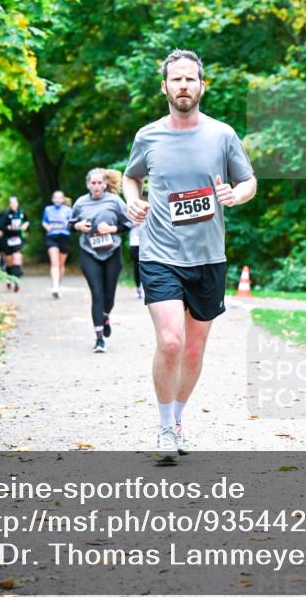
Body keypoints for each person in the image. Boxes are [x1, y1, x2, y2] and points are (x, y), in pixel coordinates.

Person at [123, 49, 257, 460]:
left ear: (202, 85)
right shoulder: (148, 136)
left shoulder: (222, 134)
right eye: (176, 79)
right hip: (159, 253)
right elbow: (131, 178)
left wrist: (236, 195)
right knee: (170, 341)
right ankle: (164, 430)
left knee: (194, 350)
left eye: (190, 79)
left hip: (208, 257)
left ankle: (178, 420)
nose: (183, 85)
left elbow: (249, 180)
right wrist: (133, 201)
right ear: (164, 87)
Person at [70, 169, 133, 353]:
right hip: (89, 252)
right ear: (88, 184)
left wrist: (111, 229)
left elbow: (128, 224)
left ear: (105, 184)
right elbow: (70, 224)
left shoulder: (115, 201)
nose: (96, 186)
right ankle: (99, 340)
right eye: (93, 183)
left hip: (112, 251)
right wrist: (78, 226)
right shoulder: (81, 203)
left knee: (109, 296)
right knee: (97, 293)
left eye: (100, 183)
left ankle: (105, 316)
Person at [42, 190, 72, 298]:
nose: (58, 200)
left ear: (63, 199)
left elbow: (72, 223)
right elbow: (44, 221)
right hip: (52, 237)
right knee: (54, 263)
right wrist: (47, 227)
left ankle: (59, 285)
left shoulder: (68, 210)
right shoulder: (48, 209)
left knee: (60, 264)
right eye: (56, 197)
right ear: (53, 199)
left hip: (64, 237)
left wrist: (67, 223)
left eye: (60, 198)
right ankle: (54, 286)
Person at [0, 196, 29, 292]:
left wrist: (25, 225)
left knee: (17, 258)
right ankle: (9, 279)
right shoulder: (6, 214)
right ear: (9, 204)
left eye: (15, 202)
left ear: (17, 203)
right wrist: (9, 227)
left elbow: (27, 221)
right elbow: (0, 226)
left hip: (18, 239)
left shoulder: (22, 213)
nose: (13, 204)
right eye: (12, 203)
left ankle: (16, 281)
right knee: (9, 262)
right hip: (7, 240)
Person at [129, 220, 144, 299]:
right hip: (134, 243)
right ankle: (138, 288)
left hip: (146, 242)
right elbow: (124, 225)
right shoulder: (129, 210)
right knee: (136, 267)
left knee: (146, 266)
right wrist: (134, 223)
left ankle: (145, 287)